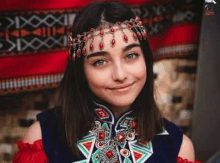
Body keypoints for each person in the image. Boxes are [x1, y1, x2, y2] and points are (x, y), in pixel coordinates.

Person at [13, 2, 199, 163]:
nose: (120, 75)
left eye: (131, 55)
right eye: (100, 61)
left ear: (146, 59)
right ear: (81, 71)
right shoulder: (43, 137)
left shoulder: (178, 148)